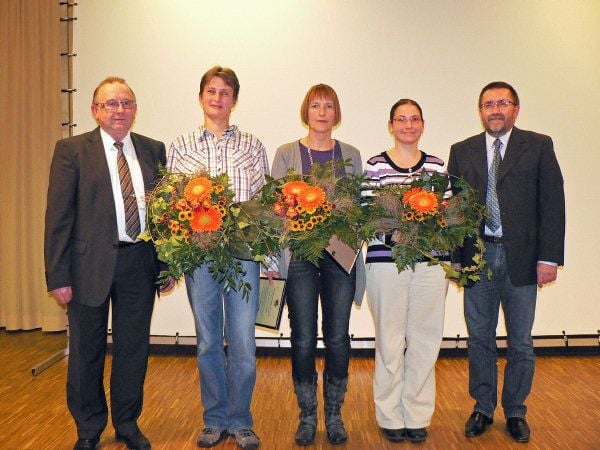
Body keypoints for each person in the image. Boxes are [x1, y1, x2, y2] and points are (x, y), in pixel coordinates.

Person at [45, 77, 172, 450]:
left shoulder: (153, 150)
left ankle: (128, 423)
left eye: (126, 103)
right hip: (87, 267)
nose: (119, 110)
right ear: (95, 110)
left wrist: (165, 265)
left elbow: (164, 217)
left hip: (139, 263)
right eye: (111, 103)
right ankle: (88, 428)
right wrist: (58, 274)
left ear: (135, 109)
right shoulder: (71, 150)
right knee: (87, 352)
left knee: (133, 350)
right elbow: (58, 217)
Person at [448, 81, 565, 443]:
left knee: (521, 343)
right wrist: (455, 260)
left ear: (516, 109)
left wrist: (549, 259)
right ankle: (482, 406)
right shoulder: (461, 150)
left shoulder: (539, 145)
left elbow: (552, 204)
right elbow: (453, 210)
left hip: (523, 258)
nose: (495, 110)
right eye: (488, 104)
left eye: (502, 103)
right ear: (480, 110)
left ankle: (515, 410)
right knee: (479, 339)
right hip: (477, 257)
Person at [167, 66, 268, 450]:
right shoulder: (181, 146)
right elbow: (173, 204)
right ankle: (214, 419)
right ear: (201, 97)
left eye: (225, 92)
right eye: (212, 91)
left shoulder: (253, 146)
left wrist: (269, 258)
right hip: (199, 256)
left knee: (242, 341)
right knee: (208, 340)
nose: (218, 98)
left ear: (234, 100)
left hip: (243, 255)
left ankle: (241, 420)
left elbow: (262, 208)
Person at [271, 84, 364, 446]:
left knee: (338, 336)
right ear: (305, 111)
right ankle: (308, 416)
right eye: (315, 106)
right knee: (304, 337)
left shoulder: (352, 154)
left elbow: (359, 207)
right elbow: (275, 206)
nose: (322, 112)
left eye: (328, 106)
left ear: (336, 113)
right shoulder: (286, 153)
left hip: (341, 256)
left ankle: (335, 416)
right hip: (300, 258)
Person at [361, 99, 449, 444]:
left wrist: (427, 228)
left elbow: (448, 217)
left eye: (414, 119)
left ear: (422, 125)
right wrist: (395, 231)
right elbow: (367, 216)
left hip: (429, 265)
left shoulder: (438, 167)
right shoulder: (375, 166)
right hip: (385, 264)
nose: (408, 125)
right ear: (391, 125)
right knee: (390, 340)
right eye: (401, 119)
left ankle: (417, 413)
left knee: (426, 340)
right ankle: (389, 414)